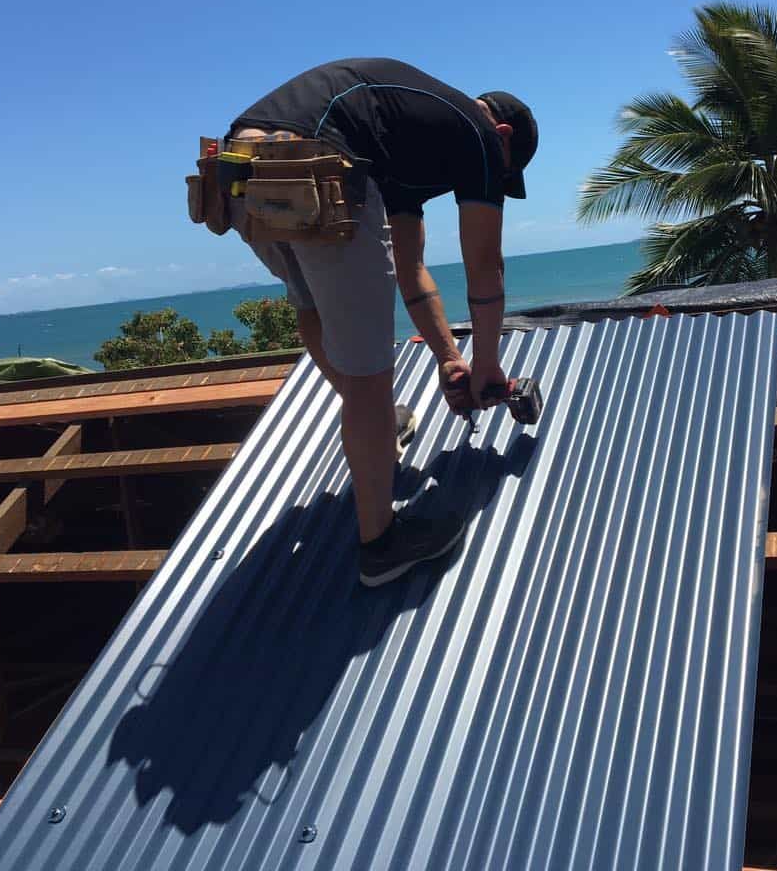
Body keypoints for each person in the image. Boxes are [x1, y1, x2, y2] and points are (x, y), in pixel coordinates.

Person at [220, 58, 538, 585]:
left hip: (239, 169)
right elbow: (485, 265)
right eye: (504, 170)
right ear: (501, 133)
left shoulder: (403, 139)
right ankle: (382, 544)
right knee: (370, 367)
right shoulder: (477, 131)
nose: (496, 180)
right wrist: (488, 366)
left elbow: (410, 272)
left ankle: (383, 425)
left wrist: (450, 360)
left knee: (316, 309)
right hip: (316, 163)